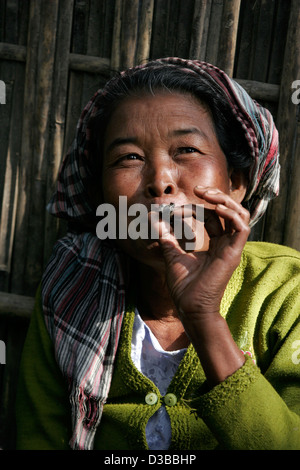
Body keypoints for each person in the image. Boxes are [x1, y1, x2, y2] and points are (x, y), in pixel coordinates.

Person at [16, 57, 300, 450]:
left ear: (236, 183)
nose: (160, 181)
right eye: (129, 157)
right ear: (102, 199)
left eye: (186, 149)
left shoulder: (285, 292)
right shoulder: (69, 291)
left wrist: (203, 318)